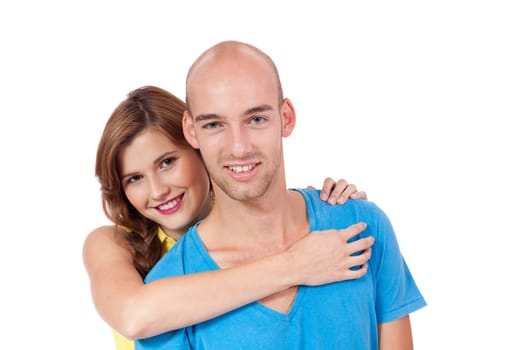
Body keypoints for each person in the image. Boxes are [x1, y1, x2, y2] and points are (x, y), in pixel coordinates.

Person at [136, 41, 426, 350]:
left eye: (256, 119)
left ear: (286, 117)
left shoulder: (362, 226)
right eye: (214, 124)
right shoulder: (167, 293)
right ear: (191, 131)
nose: (239, 147)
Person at [83, 86, 373, 350]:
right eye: (134, 178)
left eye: (167, 162)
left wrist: (330, 210)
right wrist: (297, 264)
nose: (158, 191)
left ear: (199, 146)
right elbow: (134, 316)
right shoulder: (112, 243)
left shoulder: (267, 228)